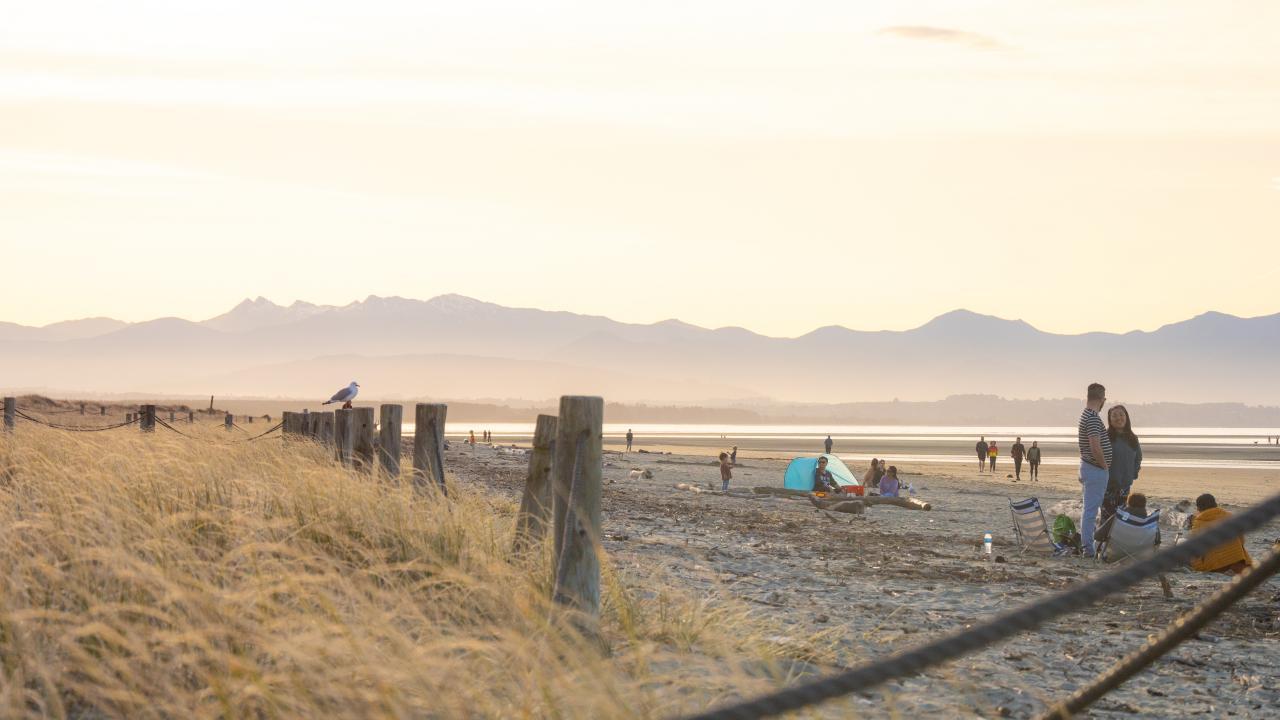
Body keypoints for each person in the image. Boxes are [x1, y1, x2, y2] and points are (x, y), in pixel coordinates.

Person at [1077, 382, 1113, 558]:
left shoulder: (1088, 415)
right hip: (1095, 469)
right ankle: (1088, 549)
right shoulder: (1092, 417)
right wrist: (1105, 466)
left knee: (1089, 509)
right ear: (1102, 399)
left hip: (1089, 467)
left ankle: (1087, 546)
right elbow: (1094, 446)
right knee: (1091, 510)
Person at [1100, 405, 1143, 526]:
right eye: (1114, 415)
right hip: (1108, 486)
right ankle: (1101, 543)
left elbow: (1138, 458)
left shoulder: (1133, 438)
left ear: (1126, 417)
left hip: (1125, 486)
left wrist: (1133, 474)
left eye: (1121, 415)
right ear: (1110, 419)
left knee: (1120, 519)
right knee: (1107, 520)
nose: (1118, 418)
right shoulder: (1105, 438)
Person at [1189, 494, 1253, 574]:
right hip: (1235, 559)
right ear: (1215, 504)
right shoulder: (1230, 516)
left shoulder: (1199, 522)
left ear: (1199, 507)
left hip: (1214, 565)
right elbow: (1242, 540)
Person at [1095, 492, 1160, 545]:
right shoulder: (1150, 523)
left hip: (1115, 554)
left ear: (1128, 503)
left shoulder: (1117, 518)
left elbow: (1097, 536)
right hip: (1141, 555)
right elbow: (1157, 541)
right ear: (1144, 505)